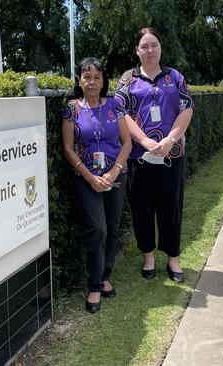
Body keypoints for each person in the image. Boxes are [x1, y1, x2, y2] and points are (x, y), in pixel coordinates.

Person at [115, 27, 194, 283]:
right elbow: (121, 113)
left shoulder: (175, 77)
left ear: (161, 47)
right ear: (137, 50)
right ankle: (148, 256)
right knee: (142, 207)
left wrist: (170, 139)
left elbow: (186, 109)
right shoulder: (128, 79)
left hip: (172, 154)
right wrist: (145, 140)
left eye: (154, 45)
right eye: (144, 46)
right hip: (139, 155)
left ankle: (173, 258)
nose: (150, 50)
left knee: (171, 207)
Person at [61, 58, 132, 313]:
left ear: (104, 80)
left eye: (97, 77)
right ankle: (93, 285)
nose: (92, 82)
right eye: (87, 76)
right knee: (97, 230)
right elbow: (68, 149)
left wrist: (114, 173)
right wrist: (90, 177)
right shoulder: (72, 109)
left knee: (112, 229)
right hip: (86, 179)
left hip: (115, 176)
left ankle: (104, 277)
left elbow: (126, 143)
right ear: (79, 80)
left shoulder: (116, 105)